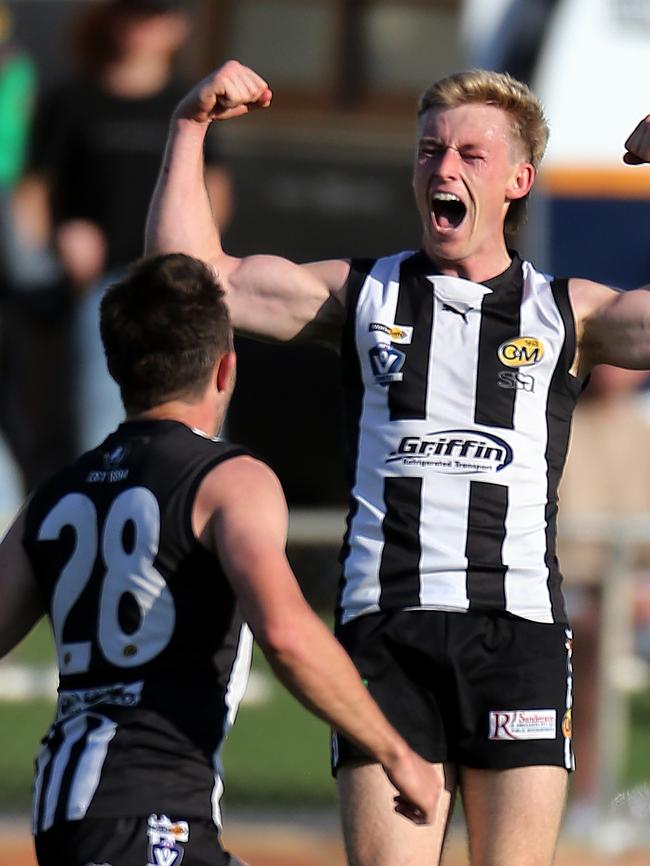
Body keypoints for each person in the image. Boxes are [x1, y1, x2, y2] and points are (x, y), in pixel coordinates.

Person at [145, 60, 650, 866]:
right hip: (386, 634)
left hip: (515, 636)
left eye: (469, 156)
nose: (442, 169)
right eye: (428, 151)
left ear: (520, 179)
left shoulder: (565, 312)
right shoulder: (361, 296)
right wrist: (188, 126)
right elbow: (192, 286)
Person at [0, 252, 441, 866]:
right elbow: (285, 633)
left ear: (116, 366)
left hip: (65, 811)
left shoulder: (56, 494)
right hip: (149, 812)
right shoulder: (229, 479)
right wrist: (398, 753)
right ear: (227, 367)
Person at [21, 0, 231, 453]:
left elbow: (216, 187)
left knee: (196, 423)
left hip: (177, 288)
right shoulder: (72, 100)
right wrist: (55, 245)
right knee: (104, 422)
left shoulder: (187, 103)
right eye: (132, 13)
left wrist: (200, 256)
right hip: (104, 287)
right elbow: (33, 193)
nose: (140, 27)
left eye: (153, 15)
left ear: (176, 28)